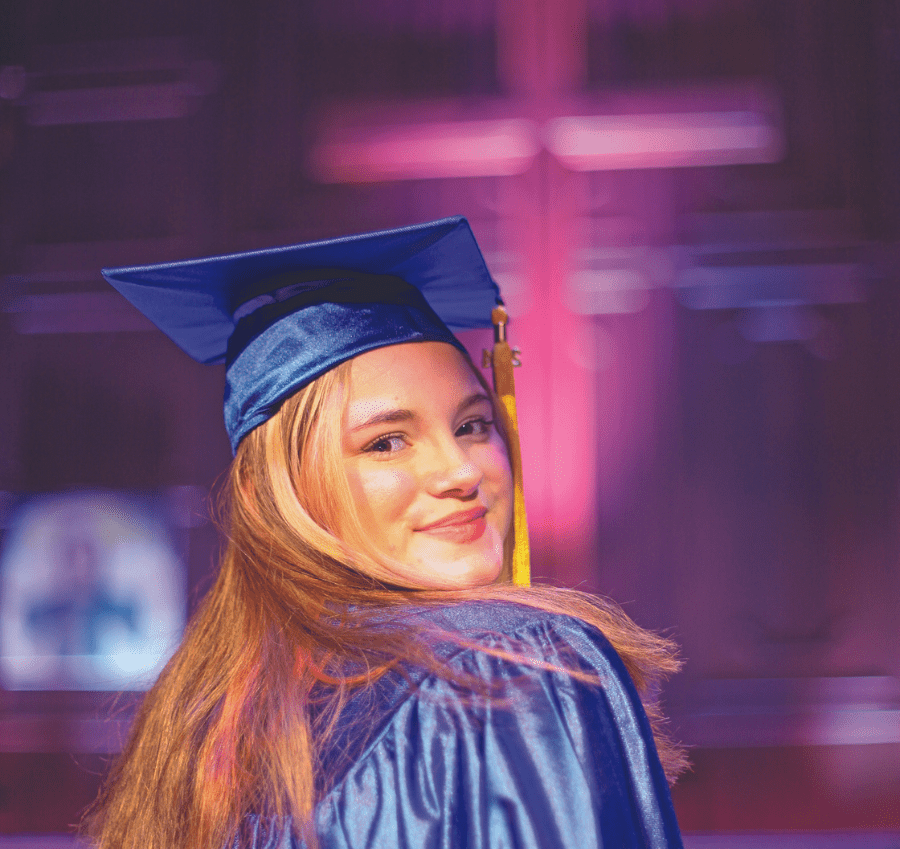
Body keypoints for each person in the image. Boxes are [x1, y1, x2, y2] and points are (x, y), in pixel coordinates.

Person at [86, 217, 686, 849]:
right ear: (289, 490)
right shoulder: (508, 665)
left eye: (473, 426)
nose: (459, 471)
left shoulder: (204, 731)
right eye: (387, 442)